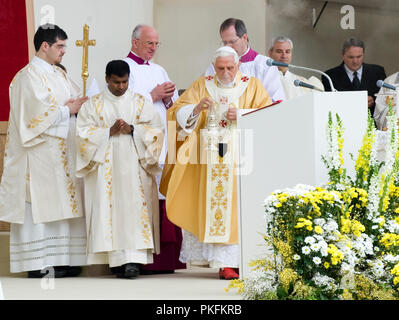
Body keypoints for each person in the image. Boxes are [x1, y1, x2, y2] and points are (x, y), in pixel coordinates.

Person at [160, 46, 272, 280]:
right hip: (210, 158)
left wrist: (241, 114)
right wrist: (195, 108)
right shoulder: (203, 84)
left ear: (237, 65)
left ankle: (245, 260)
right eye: (220, 68)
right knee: (218, 206)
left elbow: (268, 114)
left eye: (230, 67)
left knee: (240, 208)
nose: (225, 72)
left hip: (243, 155)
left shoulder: (252, 85)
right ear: (214, 67)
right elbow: (177, 111)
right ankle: (225, 263)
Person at [0, 24, 88, 278]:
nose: (63, 52)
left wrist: (79, 105)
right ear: (45, 46)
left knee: (62, 205)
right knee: (39, 207)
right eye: (60, 46)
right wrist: (66, 110)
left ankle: (63, 259)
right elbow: (31, 116)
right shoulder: (28, 76)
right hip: (37, 155)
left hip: (61, 152)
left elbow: (74, 99)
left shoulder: (58, 74)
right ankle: (37, 264)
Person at [76, 60, 164, 279]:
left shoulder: (140, 102)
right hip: (106, 166)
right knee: (110, 210)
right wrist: (108, 131)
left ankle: (133, 260)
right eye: (116, 82)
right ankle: (115, 260)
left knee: (134, 210)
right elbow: (82, 134)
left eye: (124, 82)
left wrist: (133, 129)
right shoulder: (92, 105)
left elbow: (156, 130)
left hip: (135, 163)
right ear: (107, 79)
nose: (121, 87)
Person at [123, 24, 185, 274]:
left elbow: (172, 105)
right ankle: (140, 259)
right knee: (141, 197)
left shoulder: (159, 69)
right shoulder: (122, 66)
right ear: (134, 41)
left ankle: (167, 260)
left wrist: (170, 99)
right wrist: (153, 95)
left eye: (156, 44)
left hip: (161, 142)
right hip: (137, 143)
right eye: (149, 43)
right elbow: (122, 104)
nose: (153, 48)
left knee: (163, 195)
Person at [205, 18, 285, 102]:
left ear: (244, 37)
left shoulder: (264, 65)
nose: (228, 47)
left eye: (232, 41)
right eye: (225, 43)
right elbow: (206, 95)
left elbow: (274, 100)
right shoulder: (216, 66)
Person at [322, 37, 386, 116]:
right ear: (343, 56)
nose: (355, 61)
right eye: (351, 57)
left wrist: (373, 100)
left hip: (372, 123)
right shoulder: (329, 76)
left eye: (359, 57)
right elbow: (328, 104)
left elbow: (386, 99)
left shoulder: (377, 72)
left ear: (363, 55)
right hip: (343, 122)